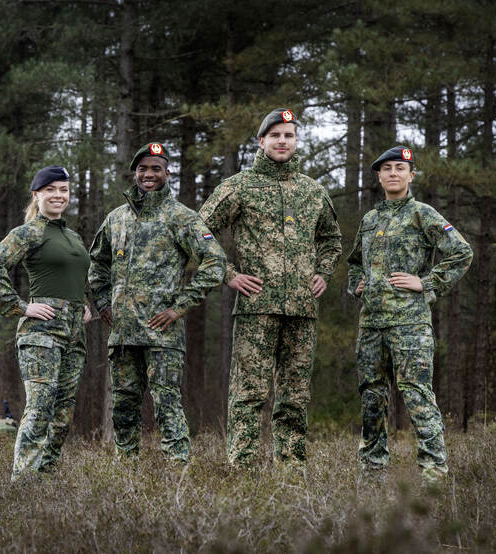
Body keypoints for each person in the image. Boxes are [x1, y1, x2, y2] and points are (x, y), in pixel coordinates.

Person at [199, 108, 342, 468]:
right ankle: (242, 469)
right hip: (257, 308)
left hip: (302, 310)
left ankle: (291, 468)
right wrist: (229, 274)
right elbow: (197, 233)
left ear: (296, 141)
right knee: (249, 394)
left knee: (295, 396)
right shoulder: (239, 187)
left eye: (289, 135)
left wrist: (324, 271)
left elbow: (331, 239)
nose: (282, 141)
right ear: (261, 141)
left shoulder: (312, 191)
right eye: (275, 135)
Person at [88, 142, 226, 463]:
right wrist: (103, 302)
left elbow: (215, 262)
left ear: (167, 173)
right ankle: (126, 469)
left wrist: (180, 306)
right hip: (123, 335)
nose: (149, 175)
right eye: (143, 169)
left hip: (162, 334)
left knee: (166, 403)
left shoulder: (180, 217)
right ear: (135, 173)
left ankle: (177, 472)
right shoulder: (116, 219)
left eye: (155, 169)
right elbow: (97, 262)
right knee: (123, 405)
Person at [347, 145, 472, 484]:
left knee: (417, 395)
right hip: (371, 325)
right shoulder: (371, 219)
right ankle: (372, 471)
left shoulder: (422, 214)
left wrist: (427, 282)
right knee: (372, 397)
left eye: (400, 168)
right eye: (386, 168)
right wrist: (355, 285)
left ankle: (433, 472)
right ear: (378, 176)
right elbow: (355, 263)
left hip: (409, 324)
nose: (393, 173)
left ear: (411, 175)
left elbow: (461, 253)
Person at [0, 165, 91, 480]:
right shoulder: (29, 232)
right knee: (39, 409)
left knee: (62, 417)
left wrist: (82, 303)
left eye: (64, 190)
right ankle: (22, 483)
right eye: (51, 190)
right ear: (37, 195)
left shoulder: (72, 236)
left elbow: (72, 276)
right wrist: (19, 307)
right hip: (41, 334)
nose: (58, 196)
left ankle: (43, 482)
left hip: (73, 335)